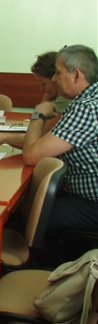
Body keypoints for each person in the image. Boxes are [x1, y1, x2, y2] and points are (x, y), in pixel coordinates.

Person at [18, 45, 98, 263]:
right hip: (83, 195)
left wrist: (38, 113)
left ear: (76, 75)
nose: (53, 79)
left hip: (92, 202)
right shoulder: (88, 100)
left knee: (31, 218)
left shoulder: (87, 108)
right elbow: (48, 144)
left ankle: (59, 269)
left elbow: (32, 155)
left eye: (58, 73)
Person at [0, 51, 67, 150]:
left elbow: (37, 143)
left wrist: (3, 137)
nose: (42, 89)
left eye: (43, 84)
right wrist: (48, 95)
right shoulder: (56, 97)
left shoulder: (63, 100)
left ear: (55, 79)